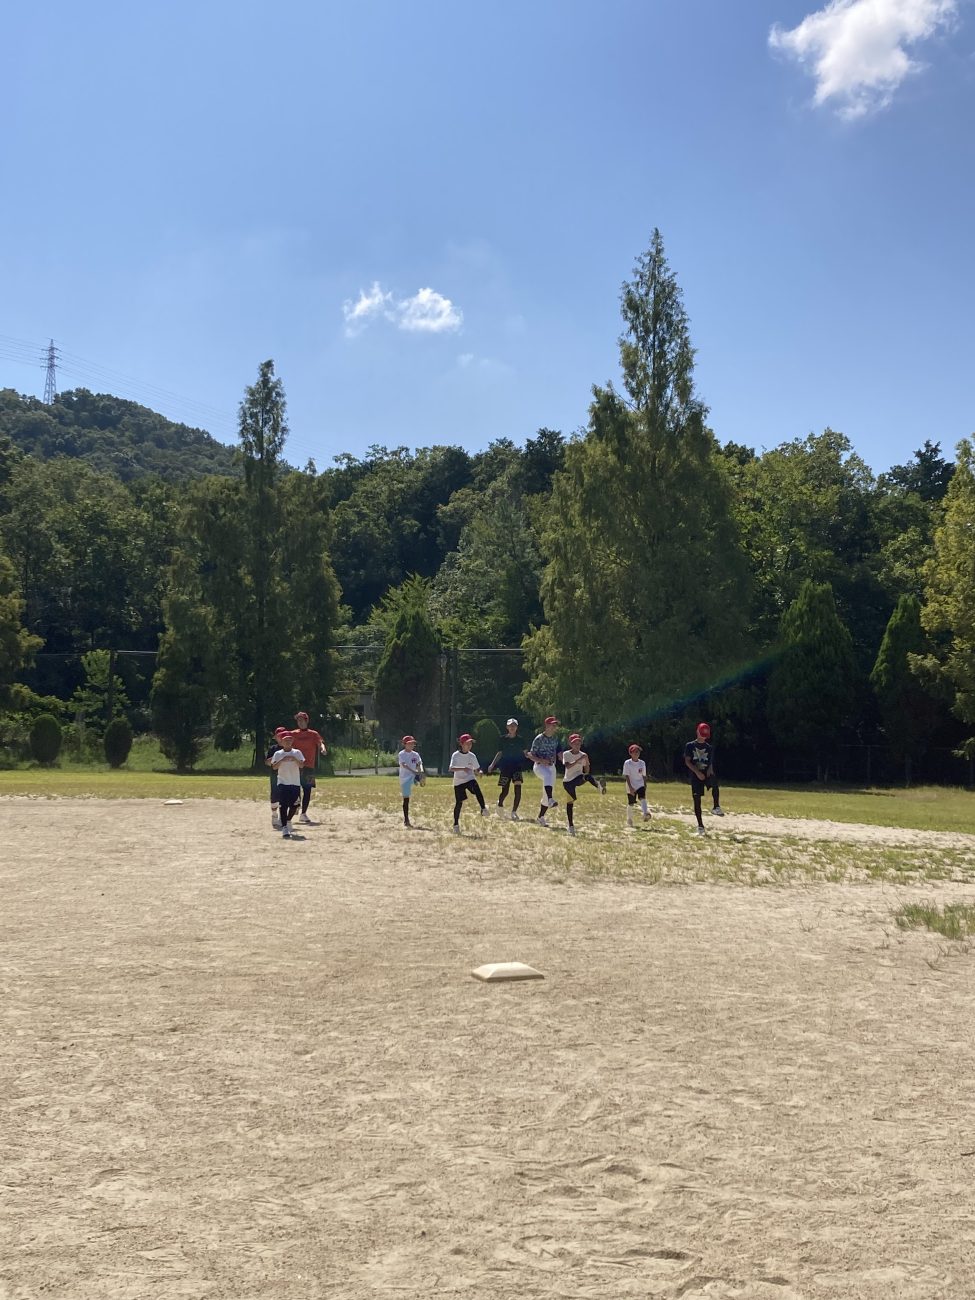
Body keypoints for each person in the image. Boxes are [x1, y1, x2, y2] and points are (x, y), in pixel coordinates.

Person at [560, 732, 604, 836]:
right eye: (575, 743)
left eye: (579, 743)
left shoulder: (583, 755)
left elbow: (587, 770)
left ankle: (599, 787)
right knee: (570, 803)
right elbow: (568, 766)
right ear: (571, 744)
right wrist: (579, 759)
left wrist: (587, 762)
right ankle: (571, 826)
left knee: (587, 776)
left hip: (578, 777)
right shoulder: (566, 754)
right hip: (568, 782)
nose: (577, 745)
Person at [684, 721, 723, 835]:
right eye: (702, 734)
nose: (703, 737)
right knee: (697, 800)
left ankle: (716, 806)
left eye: (705, 735)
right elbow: (687, 762)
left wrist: (710, 773)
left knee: (715, 784)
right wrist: (697, 773)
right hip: (695, 775)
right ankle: (700, 826)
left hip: (706, 773)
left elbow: (710, 763)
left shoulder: (709, 748)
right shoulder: (690, 746)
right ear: (697, 732)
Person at [290, 711, 327, 825]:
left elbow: (320, 742)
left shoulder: (313, 734)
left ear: (306, 721)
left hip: (309, 766)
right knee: (294, 789)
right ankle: (295, 805)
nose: (299, 722)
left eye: (301, 720)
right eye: (298, 720)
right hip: (296, 766)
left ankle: (303, 814)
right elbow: (283, 740)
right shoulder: (293, 734)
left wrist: (323, 749)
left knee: (307, 790)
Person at [487, 718, 527, 820]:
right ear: (507, 727)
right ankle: (499, 803)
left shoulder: (521, 740)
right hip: (505, 767)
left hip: (516, 766)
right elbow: (499, 753)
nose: (512, 727)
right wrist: (492, 764)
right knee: (505, 791)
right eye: (510, 726)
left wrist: (536, 759)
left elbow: (526, 752)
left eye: (514, 726)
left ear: (517, 727)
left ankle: (514, 811)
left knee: (518, 788)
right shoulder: (502, 739)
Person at [449, 732, 489, 833]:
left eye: (470, 743)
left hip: (469, 778)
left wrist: (479, 772)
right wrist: (463, 768)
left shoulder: (472, 756)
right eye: (467, 743)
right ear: (461, 744)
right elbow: (451, 768)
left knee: (477, 789)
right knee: (459, 803)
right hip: (458, 782)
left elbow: (476, 769)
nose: (469, 745)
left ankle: (483, 808)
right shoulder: (456, 755)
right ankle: (456, 825)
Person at [270, 732, 305, 839]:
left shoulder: (297, 752)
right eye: (286, 740)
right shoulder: (278, 754)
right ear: (282, 742)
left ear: (292, 741)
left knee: (295, 805)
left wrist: (294, 759)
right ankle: (284, 827)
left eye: (290, 740)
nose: (288, 742)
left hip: (295, 782)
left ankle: (288, 819)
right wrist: (282, 760)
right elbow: (274, 767)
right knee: (283, 805)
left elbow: (302, 765)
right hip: (282, 782)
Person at [528, 716, 561, 827]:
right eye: (553, 725)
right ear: (547, 726)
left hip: (551, 767)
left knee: (546, 793)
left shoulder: (555, 739)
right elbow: (530, 755)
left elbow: (559, 752)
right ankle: (551, 799)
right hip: (539, 766)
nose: (554, 727)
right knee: (547, 777)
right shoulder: (539, 738)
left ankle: (541, 817)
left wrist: (563, 760)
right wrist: (542, 761)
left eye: (555, 725)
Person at [265, 726, 290, 829]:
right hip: (275, 774)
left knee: (285, 797)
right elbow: (266, 762)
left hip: (286, 775)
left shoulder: (289, 748)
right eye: (279, 735)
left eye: (283, 735)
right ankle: (274, 815)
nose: (281, 737)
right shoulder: (273, 749)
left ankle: (283, 817)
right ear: (276, 737)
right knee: (275, 795)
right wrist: (276, 757)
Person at [398, 735, 424, 828]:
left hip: (413, 776)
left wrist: (420, 772)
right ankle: (406, 819)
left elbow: (419, 763)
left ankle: (417, 781)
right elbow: (404, 765)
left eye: (413, 743)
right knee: (406, 799)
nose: (412, 745)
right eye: (409, 743)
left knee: (419, 778)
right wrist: (414, 772)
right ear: (405, 744)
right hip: (405, 778)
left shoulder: (415, 754)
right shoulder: (401, 754)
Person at [622, 743, 651, 828]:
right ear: (630, 753)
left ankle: (645, 813)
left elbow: (644, 775)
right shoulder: (627, 763)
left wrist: (645, 784)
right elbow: (626, 776)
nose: (637, 754)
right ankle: (629, 819)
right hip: (630, 784)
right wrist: (630, 787)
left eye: (638, 752)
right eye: (634, 752)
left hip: (640, 783)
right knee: (631, 803)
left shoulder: (642, 763)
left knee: (642, 797)